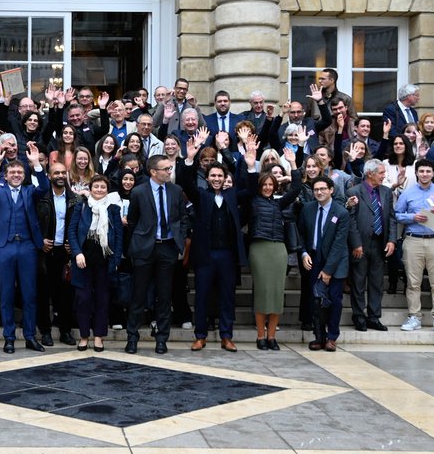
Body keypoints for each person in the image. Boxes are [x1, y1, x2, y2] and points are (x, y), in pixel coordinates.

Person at [0, 142, 50, 353]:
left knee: (29, 294)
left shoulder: (30, 191)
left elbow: (45, 187)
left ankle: (30, 336)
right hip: (4, 247)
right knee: (7, 293)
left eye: (20, 172)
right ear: (6, 175)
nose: (16, 175)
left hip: (27, 246)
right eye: (12, 172)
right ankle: (8, 336)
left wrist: (36, 164)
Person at [181, 131, 248, 351]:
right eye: (213, 176)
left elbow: (252, 188)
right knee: (202, 296)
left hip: (228, 255)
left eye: (220, 176)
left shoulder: (232, 196)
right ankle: (200, 335)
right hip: (205, 255)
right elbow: (185, 182)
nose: (217, 179)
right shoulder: (202, 196)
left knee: (227, 297)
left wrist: (249, 163)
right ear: (208, 178)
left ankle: (226, 336)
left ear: (225, 178)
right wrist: (190, 159)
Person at [123, 154, 190, 354]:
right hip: (145, 248)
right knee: (138, 295)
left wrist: (180, 239)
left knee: (164, 295)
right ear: (153, 172)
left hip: (167, 248)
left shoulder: (176, 190)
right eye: (166, 169)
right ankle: (132, 338)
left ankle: (162, 338)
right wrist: (137, 242)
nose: (170, 171)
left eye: (170, 168)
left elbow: (182, 218)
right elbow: (133, 221)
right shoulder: (139, 192)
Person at [395, 159, 434, 333]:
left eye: (428, 171)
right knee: (413, 282)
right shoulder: (407, 193)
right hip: (413, 239)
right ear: (416, 173)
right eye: (421, 171)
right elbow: (397, 214)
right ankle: (414, 316)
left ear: (433, 173)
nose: (424, 174)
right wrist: (412, 217)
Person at [245, 166, 301, 350]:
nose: (268, 187)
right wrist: (251, 165)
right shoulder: (252, 201)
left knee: (276, 294)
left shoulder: (278, 204)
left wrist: (294, 166)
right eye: (265, 184)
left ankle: (271, 337)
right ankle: (260, 336)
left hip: (279, 250)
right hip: (259, 249)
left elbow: (296, 188)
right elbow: (250, 184)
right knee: (262, 293)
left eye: (271, 184)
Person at [67, 174, 123, 351]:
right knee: (83, 300)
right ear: (90, 189)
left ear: (107, 190)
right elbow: (72, 232)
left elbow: (119, 237)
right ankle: (84, 336)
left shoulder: (113, 209)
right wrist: (77, 253)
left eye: (103, 187)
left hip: (105, 262)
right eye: (96, 187)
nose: (99, 190)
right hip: (82, 262)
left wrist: (115, 260)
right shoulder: (81, 206)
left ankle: (99, 336)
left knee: (102, 300)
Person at [300, 177, 352, 351]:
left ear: (331, 190)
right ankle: (319, 337)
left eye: (323, 189)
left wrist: (328, 271)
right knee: (316, 300)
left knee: (335, 300)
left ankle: (331, 337)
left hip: (335, 262)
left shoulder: (341, 212)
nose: (319, 192)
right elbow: (301, 234)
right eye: (316, 189)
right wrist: (304, 253)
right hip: (313, 259)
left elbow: (339, 244)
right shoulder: (307, 208)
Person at [346, 159, 396, 333]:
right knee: (358, 282)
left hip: (380, 243)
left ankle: (374, 317)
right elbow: (350, 220)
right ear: (370, 174)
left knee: (376, 282)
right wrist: (356, 243)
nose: (384, 176)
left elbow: (391, 217)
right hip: (360, 245)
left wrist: (391, 240)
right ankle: (359, 316)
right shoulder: (354, 191)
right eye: (381, 173)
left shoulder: (386, 192)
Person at [36, 161, 77, 346]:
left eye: (63, 173)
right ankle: (45, 331)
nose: (60, 176)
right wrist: (40, 241)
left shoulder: (75, 199)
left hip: (65, 252)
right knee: (43, 294)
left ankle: (65, 331)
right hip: (45, 252)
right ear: (49, 176)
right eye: (56, 173)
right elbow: (32, 223)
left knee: (65, 295)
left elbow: (79, 226)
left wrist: (74, 245)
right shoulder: (41, 198)